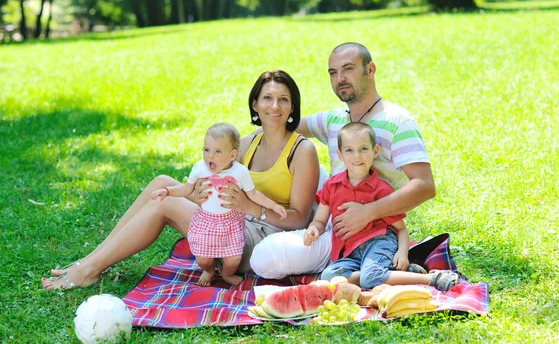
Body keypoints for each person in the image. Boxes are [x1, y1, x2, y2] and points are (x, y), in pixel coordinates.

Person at [42, 70, 319, 290]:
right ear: (255, 105)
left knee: (165, 204)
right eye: (267, 98)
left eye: (283, 99)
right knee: (161, 183)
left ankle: (88, 271)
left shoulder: (302, 150)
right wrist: (198, 194)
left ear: (293, 106)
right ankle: (92, 259)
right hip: (230, 219)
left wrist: (251, 208)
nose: (275, 105)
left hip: (255, 240)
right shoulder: (246, 143)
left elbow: (298, 219)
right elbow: (211, 180)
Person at [250, 42, 440, 280]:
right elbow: (280, 124)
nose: (340, 78)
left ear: (370, 70)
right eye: (333, 72)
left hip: (372, 231)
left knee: (265, 258)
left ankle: (377, 269)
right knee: (308, 159)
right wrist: (234, 144)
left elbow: (424, 185)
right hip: (328, 219)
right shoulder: (334, 119)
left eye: (348, 69)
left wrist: (368, 212)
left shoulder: (397, 121)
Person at [303, 122, 457, 290]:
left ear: (375, 151)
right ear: (339, 154)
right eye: (349, 150)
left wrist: (402, 253)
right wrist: (313, 229)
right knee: (329, 276)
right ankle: (392, 273)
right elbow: (320, 221)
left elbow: (401, 229)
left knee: (369, 279)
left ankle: (433, 278)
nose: (357, 156)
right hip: (350, 251)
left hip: (379, 242)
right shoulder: (331, 186)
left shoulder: (381, 189)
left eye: (363, 149)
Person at [151, 123, 287, 286]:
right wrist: (167, 191)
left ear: (232, 155)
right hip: (206, 221)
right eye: (206, 150)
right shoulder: (200, 168)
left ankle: (227, 274)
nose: (210, 156)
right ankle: (208, 270)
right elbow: (187, 188)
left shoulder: (240, 172)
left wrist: (273, 206)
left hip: (231, 222)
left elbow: (253, 194)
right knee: (202, 257)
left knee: (233, 259)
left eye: (217, 152)